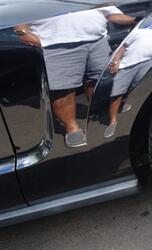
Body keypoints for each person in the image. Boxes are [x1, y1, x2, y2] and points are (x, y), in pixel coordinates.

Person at [14, 5, 137, 147]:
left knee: (100, 80)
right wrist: (24, 34)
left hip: (98, 41)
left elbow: (110, 13)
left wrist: (135, 20)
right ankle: (71, 127)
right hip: (57, 45)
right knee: (63, 90)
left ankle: (100, 108)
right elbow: (17, 18)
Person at [104, 17, 152, 138]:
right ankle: (112, 121)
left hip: (148, 62)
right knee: (116, 93)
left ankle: (123, 104)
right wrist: (115, 61)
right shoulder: (139, 30)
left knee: (134, 86)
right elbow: (123, 47)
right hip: (128, 64)